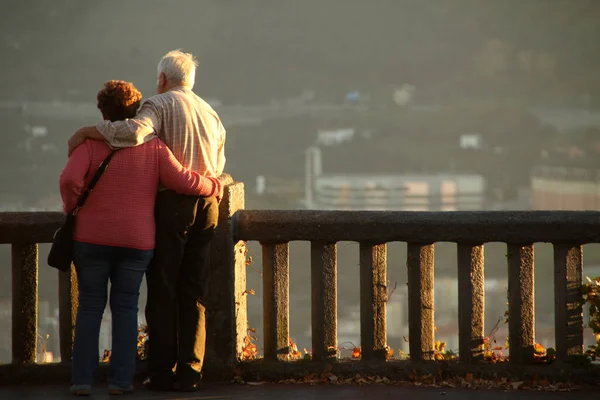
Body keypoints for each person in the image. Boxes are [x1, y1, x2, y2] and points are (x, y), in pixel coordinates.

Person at [67, 50, 226, 392]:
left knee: (164, 288)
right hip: (209, 203)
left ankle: (161, 370)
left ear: (163, 79)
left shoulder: (159, 104)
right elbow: (219, 162)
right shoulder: (211, 113)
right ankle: (191, 372)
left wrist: (87, 132)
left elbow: (134, 133)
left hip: (174, 205)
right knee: (194, 290)